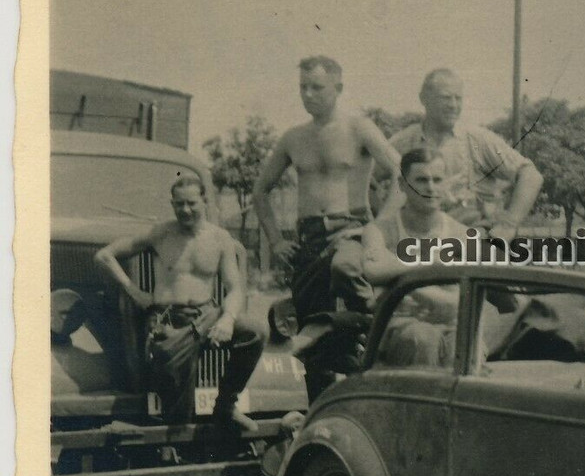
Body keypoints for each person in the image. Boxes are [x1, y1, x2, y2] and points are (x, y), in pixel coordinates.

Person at [252, 56, 400, 401]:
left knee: (346, 269)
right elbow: (261, 190)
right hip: (308, 238)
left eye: (317, 87)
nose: (308, 94)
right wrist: (275, 240)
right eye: (303, 87)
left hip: (350, 227)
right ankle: (317, 412)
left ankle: (381, 326)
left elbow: (401, 172)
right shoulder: (293, 137)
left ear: (339, 88)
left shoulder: (358, 128)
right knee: (310, 338)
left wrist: (378, 227)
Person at [94, 176, 263, 433]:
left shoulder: (220, 239)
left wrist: (227, 318)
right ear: (172, 204)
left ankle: (226, 406)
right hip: (170, 321)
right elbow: (104, 256)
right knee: (178, 416)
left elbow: (235, 288)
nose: (185, 210)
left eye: (192, 203)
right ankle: (176, 443)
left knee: (254, 331)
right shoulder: (161, 234)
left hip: (207, 315)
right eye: (179, 204)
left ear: (205, 202)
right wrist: (135, 292)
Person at [377, 69, 543, 241]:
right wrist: (380, 222)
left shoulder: (477, 139)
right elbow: (370, 179)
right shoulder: (404, 141)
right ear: (424, 99)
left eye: (458, 98)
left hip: (471, 235)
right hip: (419, 236)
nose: (453, 105)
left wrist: (508, 224)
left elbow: (531, 175)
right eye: (446, 98)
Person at [362, 147, 466, 367]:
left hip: (452, 327)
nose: (430, 187)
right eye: (421, 180)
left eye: (437, 180)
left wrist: (401, 279)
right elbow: (373, 271)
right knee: (422, 339)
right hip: (398, 328)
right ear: (402, 185)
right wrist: (429, 266)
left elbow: (458, 305)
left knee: (462, 347)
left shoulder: (461, 235)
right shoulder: (380, 231)